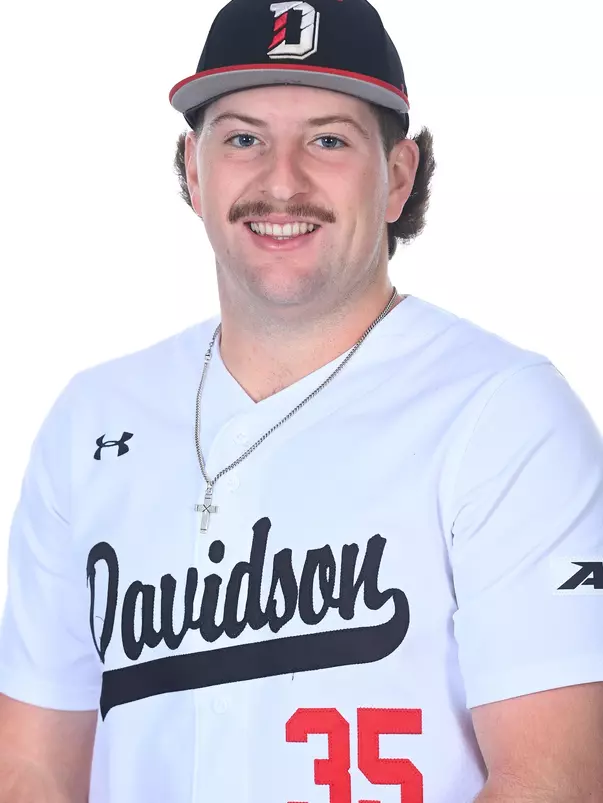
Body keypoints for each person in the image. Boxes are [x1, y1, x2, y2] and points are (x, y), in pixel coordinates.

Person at [0, 0, 602, 800]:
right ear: (193, 168)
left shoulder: (503, 415)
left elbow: (554, 775)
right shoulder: (94, 418)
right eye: (243, 138)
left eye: (327, 140)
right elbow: (33, 762)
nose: (280, 181)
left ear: (396, 175)